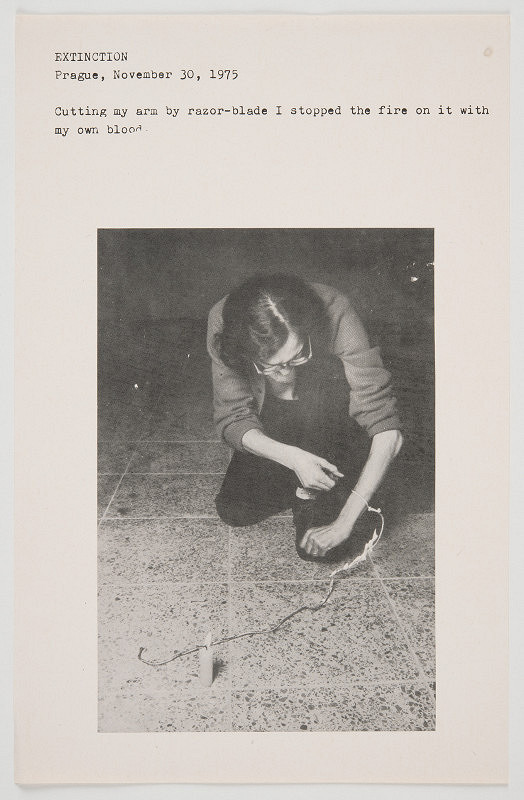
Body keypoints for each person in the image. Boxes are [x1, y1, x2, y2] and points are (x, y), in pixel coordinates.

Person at [206, 273, 403, 562]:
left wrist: (345, 521)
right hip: (274, 411)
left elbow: (388, 431)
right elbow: (232, 417)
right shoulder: (223, 323)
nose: (286, 372)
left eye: (297, 355)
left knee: (324, 551)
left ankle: (330, 476)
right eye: (271, 366)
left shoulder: (336, 310)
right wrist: (294, 459)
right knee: (235, 510)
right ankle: (312, 478)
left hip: (327, 407)